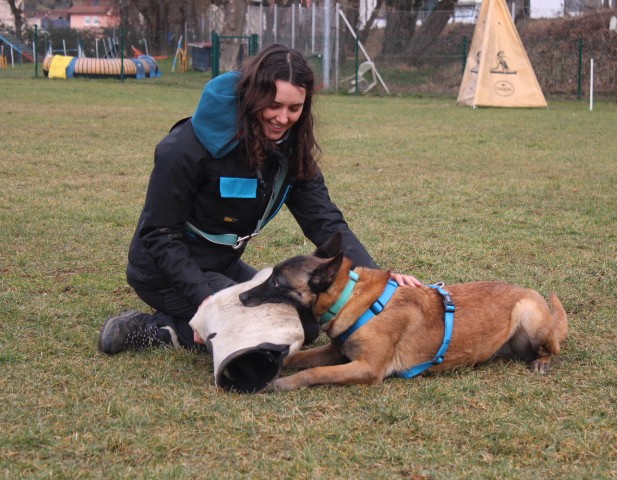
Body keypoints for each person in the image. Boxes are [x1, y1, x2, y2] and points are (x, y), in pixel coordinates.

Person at [98, 44, 421, 355]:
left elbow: (324, 221)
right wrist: (204, 299)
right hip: (163, 273)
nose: (283, 118)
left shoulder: (290, 148)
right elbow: (158, 233)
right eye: (274, 106)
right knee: (262, 334)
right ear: (253, 98)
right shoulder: (184, 148)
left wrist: (380, 280)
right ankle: (155, 329)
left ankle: (200, 323)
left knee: (307, 324)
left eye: (294, 109)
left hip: (222, 263)